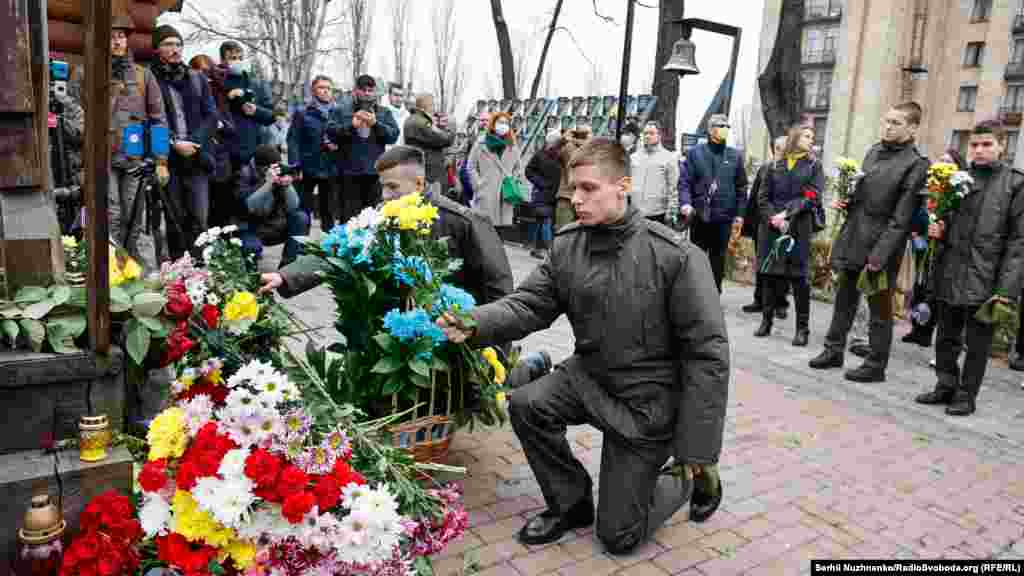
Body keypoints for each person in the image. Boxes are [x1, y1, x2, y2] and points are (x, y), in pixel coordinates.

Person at [436, 138, 729, 555]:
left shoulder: (676, 257)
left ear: (622, 186)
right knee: (527, 404)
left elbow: (708, 354)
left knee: (619, 536)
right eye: (573, 188)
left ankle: (682, 478)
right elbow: (530, 304)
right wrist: (474, 321)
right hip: (589, 375)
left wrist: (697, 449)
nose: (575, 198)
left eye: (588, 188)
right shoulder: (569, 244)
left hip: (646, 404)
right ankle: (570, 503)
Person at [260, 145, 514, 310]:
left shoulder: (464, 221)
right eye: (382, 186)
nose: (384, 195)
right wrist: (286, 276)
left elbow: (498, 290)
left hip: (452, 332)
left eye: (392, 187)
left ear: (418, 182)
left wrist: (492, 352)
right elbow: (340, 249)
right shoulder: (380, 216)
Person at [808, 102, 929, 383]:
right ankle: (833, 350)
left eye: (896, 123)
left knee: (880, 310)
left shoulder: (916, 164)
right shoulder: (873, 151)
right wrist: (848, 201)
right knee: (844, 301)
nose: (888, 126)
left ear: (912, 128)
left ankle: (875, 365)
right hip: (855, 237)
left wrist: (880, 256)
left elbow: (902, 218)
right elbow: (862, 195)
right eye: (886, 120)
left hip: (882, 247)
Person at [915, 120, 1024, 416]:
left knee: (977, 343)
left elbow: (1019, 242)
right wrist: (938, 228)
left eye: (987, 144)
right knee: (946, 335)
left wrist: (1006, 290)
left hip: (987, 277)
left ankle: (966, 395)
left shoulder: (1015, 184)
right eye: (974, 145)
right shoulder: (957, 180)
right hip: (951, 268)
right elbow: (946, 219)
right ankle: (945, 385)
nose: (979, 150)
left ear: (1002, 145)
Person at [105, 14, 167, 272]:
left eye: (120, 36)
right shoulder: (88, 72)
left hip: (134, 156)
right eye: (110, 36)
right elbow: (76, 113)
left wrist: (162, 161)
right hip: (102, 156)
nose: (116, 41)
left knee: (135, 217)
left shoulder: (144, 76)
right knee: (111, 215)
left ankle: (136, 273)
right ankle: (109, 272)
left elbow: (159, 120)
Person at [150, 24, 216, 259]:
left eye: (178, 44)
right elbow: (149, 118)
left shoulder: (196, 78)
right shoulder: (151, 78)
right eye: (169, 44)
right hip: (168, 160)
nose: (175, 49)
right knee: (175, 219)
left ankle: (201, 271)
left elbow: (211, 115)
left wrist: (194, 143)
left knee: (200, 219)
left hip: (196, 158)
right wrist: (173, 143)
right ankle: (180, 274)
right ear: (157, 49)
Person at [753, 126, 824, 346]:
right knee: (769, 275)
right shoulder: (773, 164)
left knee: (799, 278)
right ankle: (766, 321)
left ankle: (802, 329)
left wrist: (786, 214)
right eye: (807, 135)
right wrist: (773, 217)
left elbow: (812, 195)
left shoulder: (814, 165)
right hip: (772, 227)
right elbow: (762, 197)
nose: (811, 139)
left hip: (798, 227)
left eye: (813, 137)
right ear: (794, 137)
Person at [678, 114, 749, 293]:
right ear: (710, 129)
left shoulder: (735, 156)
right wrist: (685, 203)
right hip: (700, 215)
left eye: (727, 126)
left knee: (718, 259)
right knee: (697, 257)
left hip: (724, 216)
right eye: (720, 125)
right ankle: (695, 294)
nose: (724, 128)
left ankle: (714, 294)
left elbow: (741, 187)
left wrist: (740, 214)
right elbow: (685, 182)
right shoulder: (695, 153)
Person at [904, 148, 966, 350]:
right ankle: (917, 329)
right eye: (941, 160)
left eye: (949, 161)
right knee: (919, 287)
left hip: (943, 248)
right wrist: (915, 230)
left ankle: (928, 332)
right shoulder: (931, 186)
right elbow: (919, 210)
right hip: (922, 243)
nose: (944, 164)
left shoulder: (958, 191)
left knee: (934, 290)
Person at [327, 74, 400, 223]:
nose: (367, 93)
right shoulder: (341, 111)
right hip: (348, 175)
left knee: (373, 221)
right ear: (355, 91)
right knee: (349, 221)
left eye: (370, 90)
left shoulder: (383, 112)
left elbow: (393, 136)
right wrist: (351, 126)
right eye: (363, 90)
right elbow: (331, 134)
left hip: (374, 175)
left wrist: (376, 124)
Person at [234, 144, 309, 270]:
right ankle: (251, 276)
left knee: (300, 218)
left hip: (273, 226)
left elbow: (293, 206)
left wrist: (287, 185)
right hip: (249, 228)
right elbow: (249, 206)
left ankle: (286, 269)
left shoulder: (278, 173)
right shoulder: (243, 175)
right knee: (252, 248)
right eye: (272, 167)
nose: (276, 170)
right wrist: (268, 183)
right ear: (261, 167)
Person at [742, 136, 790, 318]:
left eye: (784, 148)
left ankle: (780, 304)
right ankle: (759, 300)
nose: (780, 152)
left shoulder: (794, 171)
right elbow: (755, 198)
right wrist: (750, 225)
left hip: (785, 225)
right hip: (763, 224)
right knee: (763, 264)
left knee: (782, 267)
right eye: (777, 148)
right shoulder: (765, 169)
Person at [288, 75, 339, 231]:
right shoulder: (303, 112)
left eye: (328, 88)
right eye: (321, 87)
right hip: (307, 167)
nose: (325, 91)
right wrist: (295, 165)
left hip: (331, 167)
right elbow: (293, 139)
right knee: (303, 211)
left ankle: (329, 249)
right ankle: (301, 248)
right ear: (313, 90)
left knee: (329, 211)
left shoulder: (339, 111)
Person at [467, 111, 523, 232]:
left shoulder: (512, 145)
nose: (503, 125)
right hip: (486, 192)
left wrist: (513, 180)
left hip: (505, 194)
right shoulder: (481, 143)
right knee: (484, 230)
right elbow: (470, 166)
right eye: (500, 122)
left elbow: (518, 168)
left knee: (501, 232)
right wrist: (478, 185)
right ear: (493, 124)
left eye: (506, 123)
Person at [630, 121, 680, 225]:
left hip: (658, 214)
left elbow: (674, 188)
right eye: (645, 133)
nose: (648, 136)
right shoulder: (633, 157)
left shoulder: (669, 158)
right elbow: (627, 182)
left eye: (651, 133)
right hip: (634, 213)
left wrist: (671, 212)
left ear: (659, 135)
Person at [524, 130, 562, 259]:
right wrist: (541, 183)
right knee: (544, 220)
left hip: (555, 194)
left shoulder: (560, 155)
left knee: (545, 222)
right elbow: (528, 171)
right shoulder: (539, 155)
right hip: (542, 193)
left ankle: (539, 248)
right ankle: (545, 249)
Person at [403, 93, 454, 188]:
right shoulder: (422, 122)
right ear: (426, 106)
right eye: (433, 105)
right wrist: (450, 126)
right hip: (429, 171)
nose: (434, 108)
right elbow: (446, 140)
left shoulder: (411, 119)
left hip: (419, 167)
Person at [554, 126, 592, 229]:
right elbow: (552, 153)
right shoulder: (570, 147)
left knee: (570, 232)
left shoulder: (591, 150)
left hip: (575, 196)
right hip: (570, 196)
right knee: (565, 231)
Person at [382, 82, 411, 147]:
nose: (399, 99)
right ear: (389, 96)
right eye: (396, 95)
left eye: (401, 96)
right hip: (385, 154)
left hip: (402, 153)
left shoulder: (407, 115)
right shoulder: (382, 113)